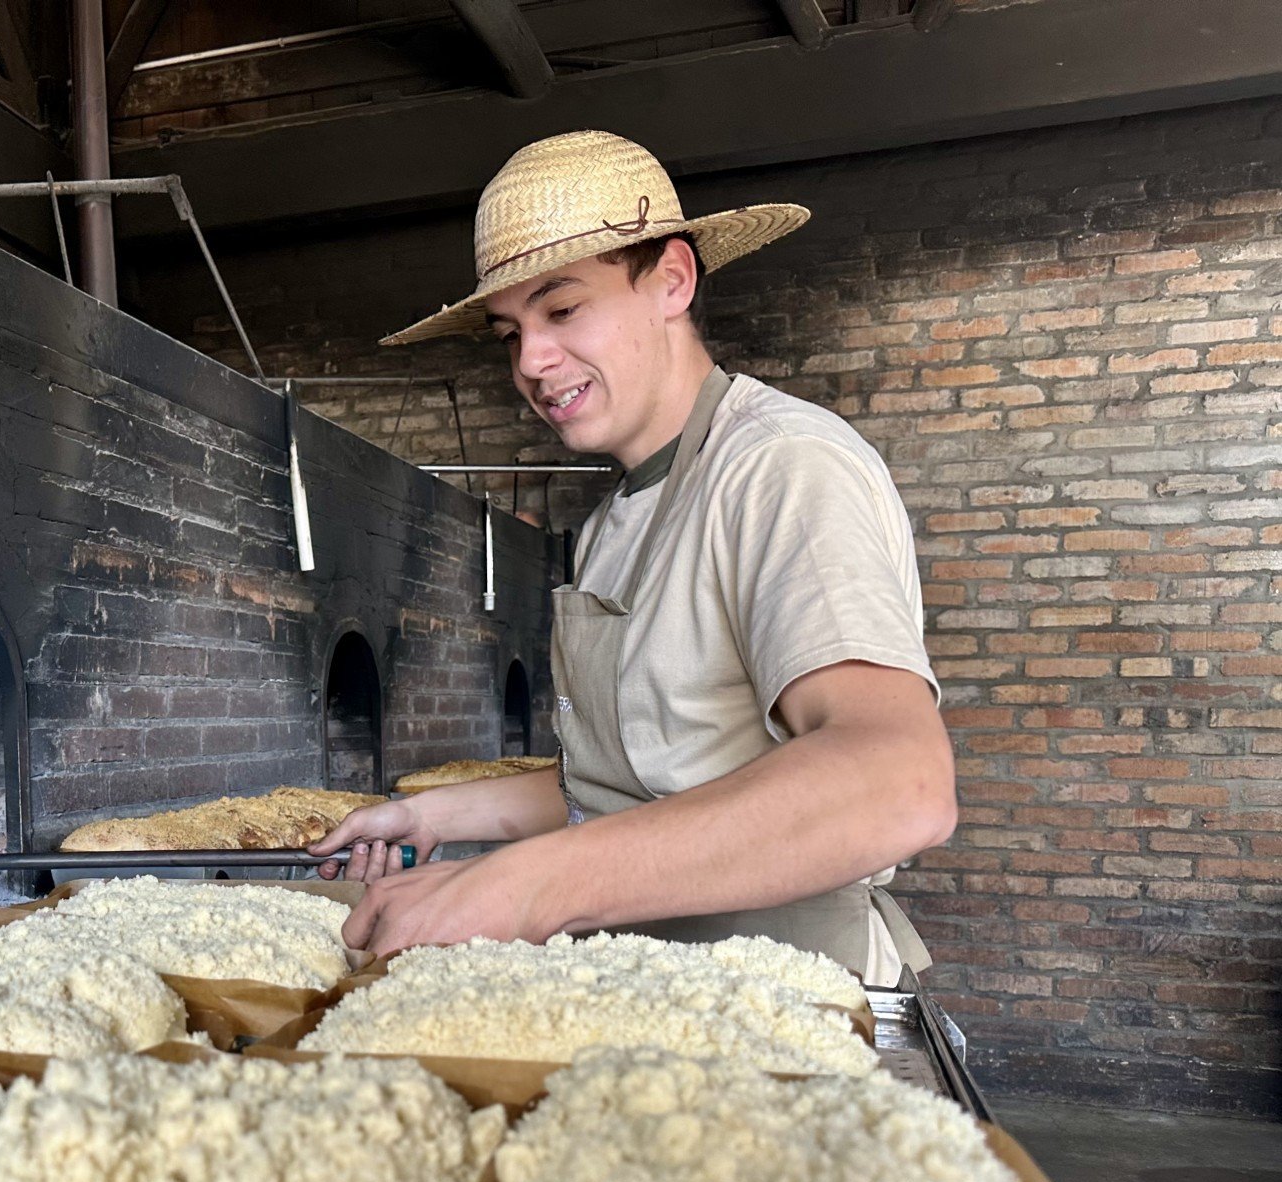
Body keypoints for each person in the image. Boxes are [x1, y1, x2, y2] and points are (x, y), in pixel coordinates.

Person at [311, 130, 956, 984]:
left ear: (673, 281)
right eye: (510, 333)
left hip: (775, 990)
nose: (533, 363)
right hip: (645, 979)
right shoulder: (624, 510)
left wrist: (526, 887)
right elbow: (632, 781)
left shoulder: (779, 466)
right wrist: (430, 815)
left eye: (563, 308)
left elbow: (895, 780)